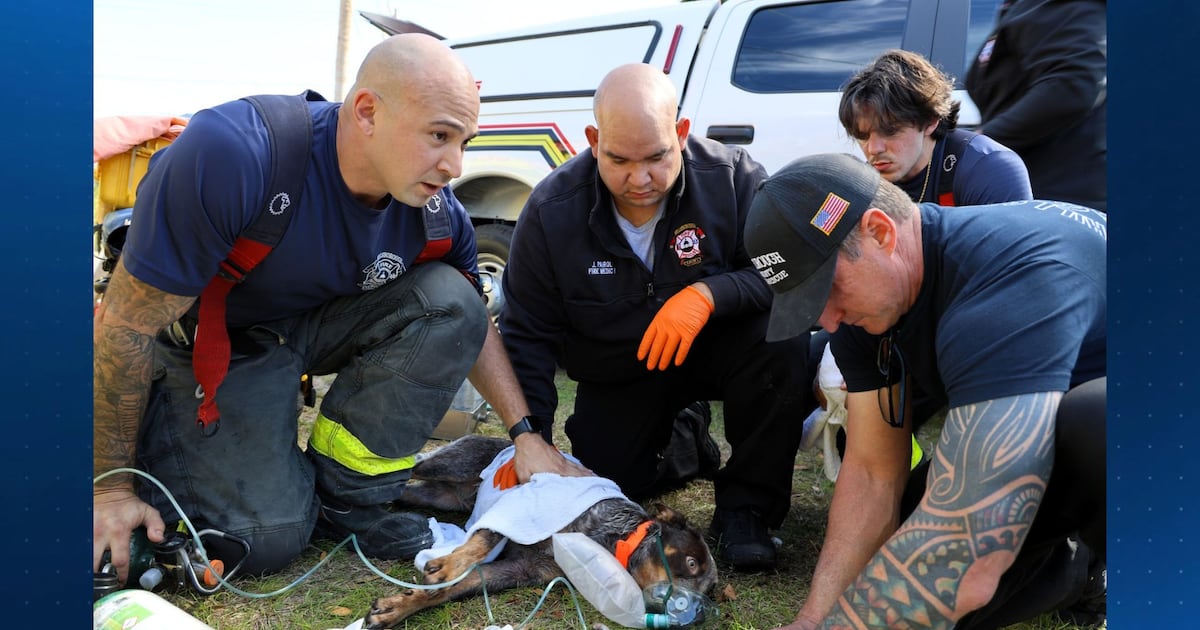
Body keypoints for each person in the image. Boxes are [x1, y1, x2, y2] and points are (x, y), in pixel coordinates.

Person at [92, 33, 588, 585]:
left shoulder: (437, 213)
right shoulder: (237, 153)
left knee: (454, 299)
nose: (455, 165)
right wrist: (108, 487)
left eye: (465, 141)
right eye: (439, 136)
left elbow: (472, 319)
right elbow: (126, 326)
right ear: (368, 112)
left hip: (311, 329)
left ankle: (348, 500)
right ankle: (209, 455)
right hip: (213, 338)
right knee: (265, 539)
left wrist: (525, 436)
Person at [745, 153, 1106, 628]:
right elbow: (875, 469)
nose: (827, 320)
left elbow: (964, 544)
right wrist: (813, 620)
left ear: (880, 232)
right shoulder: (872, 302)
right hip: (1054, 416)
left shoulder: (1003, 290)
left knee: (1093, 426)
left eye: (826, 291)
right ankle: (1070, 570)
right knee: (915, 529)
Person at [498, 63, 809, 572]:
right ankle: (686, 437)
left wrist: (710, 293)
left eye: (658, 158)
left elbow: (785, 271)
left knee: (780, 339)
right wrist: (530, 439)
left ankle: (747, 510)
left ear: (681, 134)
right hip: (621, 369)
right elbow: (527, 334)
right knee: (616, 481)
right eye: (619, 159)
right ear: (594, 140)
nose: (640, 179)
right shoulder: (552, 210)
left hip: (715, 351)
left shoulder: (734, 179)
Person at [839, 48, 1031, 207]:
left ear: (931, 121)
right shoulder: (857, 184)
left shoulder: (990, 168)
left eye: (889, 131)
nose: (873, 149)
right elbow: (821, 232)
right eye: (861, 135)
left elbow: (1012, 250)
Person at [966, 0, 1107, 212]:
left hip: (1065, 196)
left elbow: (1071, 86)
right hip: (1040, 194)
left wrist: (981, 143)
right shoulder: (1020, 7)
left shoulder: (1055, 5)